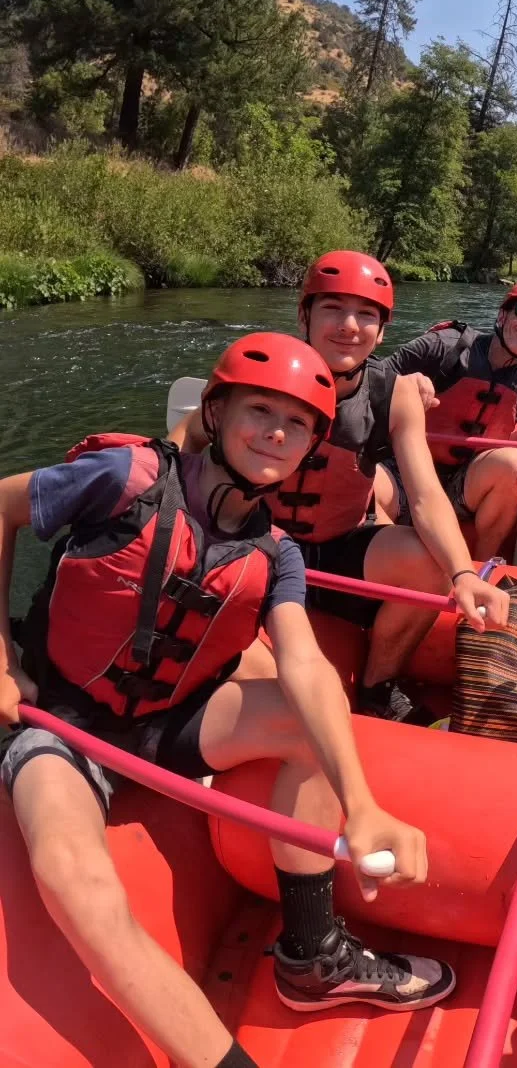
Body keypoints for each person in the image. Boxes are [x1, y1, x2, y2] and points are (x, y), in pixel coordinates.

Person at [0, 335, 458, 1068]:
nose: (276, 432)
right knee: (72, 875)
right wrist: (1, 654)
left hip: (169, 725)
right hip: (65, 721)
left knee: (312, 721)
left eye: (298, 423)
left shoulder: (275, 554)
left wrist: (360, 800)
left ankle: (311, 956)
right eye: (259, 411)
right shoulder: (126, 477)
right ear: (215, 411)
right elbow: (2, 509)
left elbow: (303, 661)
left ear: (313, 444)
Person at [170, 251, 509, 726]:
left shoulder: (393, 394)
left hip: (342, 551)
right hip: (259, 548)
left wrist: (462, 573)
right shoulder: (262, 368)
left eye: (366, 314)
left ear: (383, 330)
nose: (349, 326)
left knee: (427, 562)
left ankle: (377, 686)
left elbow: (427, 495)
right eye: (333, 308)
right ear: (304, 314)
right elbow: (187, 437)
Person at [381, 279, 517, 561]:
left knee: (512, 464)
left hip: (465, 486)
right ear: (503, 315)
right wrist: (403, 385)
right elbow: (370, 379)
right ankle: (394, 558)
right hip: (405, 471)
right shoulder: (445, 347)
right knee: (364, 479)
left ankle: (481, 564)